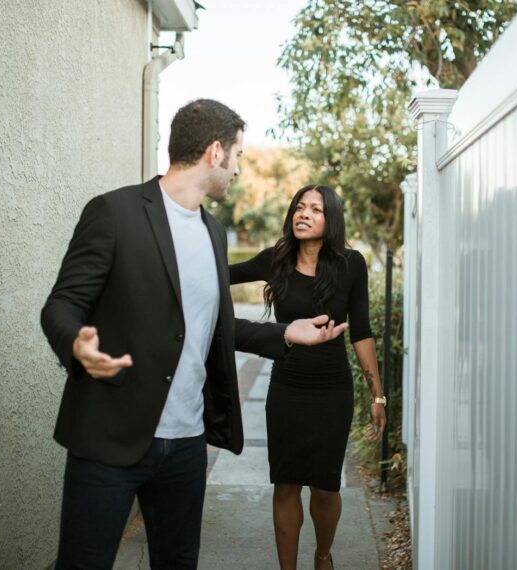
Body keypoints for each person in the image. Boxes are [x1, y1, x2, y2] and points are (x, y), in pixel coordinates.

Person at [40, 99, 347, 569]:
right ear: (215, 152)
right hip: (109, 436)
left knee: (180, 562)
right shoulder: (114, 213)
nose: (240, 170)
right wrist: (77, 346)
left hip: (186, 445)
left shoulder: (213, 232)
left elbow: (216, 328)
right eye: (239, 157)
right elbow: (62, 303)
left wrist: (287, 334)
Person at [229, 184, 387, 570]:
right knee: (285, 483)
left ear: (331, 219)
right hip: (287, 387)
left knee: (325, 485)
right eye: (300, 207)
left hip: (332, 390)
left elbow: (361, 331)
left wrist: (377, 395)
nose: (304, 214)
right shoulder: (276, 260)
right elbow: (220, 275)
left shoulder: (352, 264)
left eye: (315, 209)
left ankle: (322, 555)